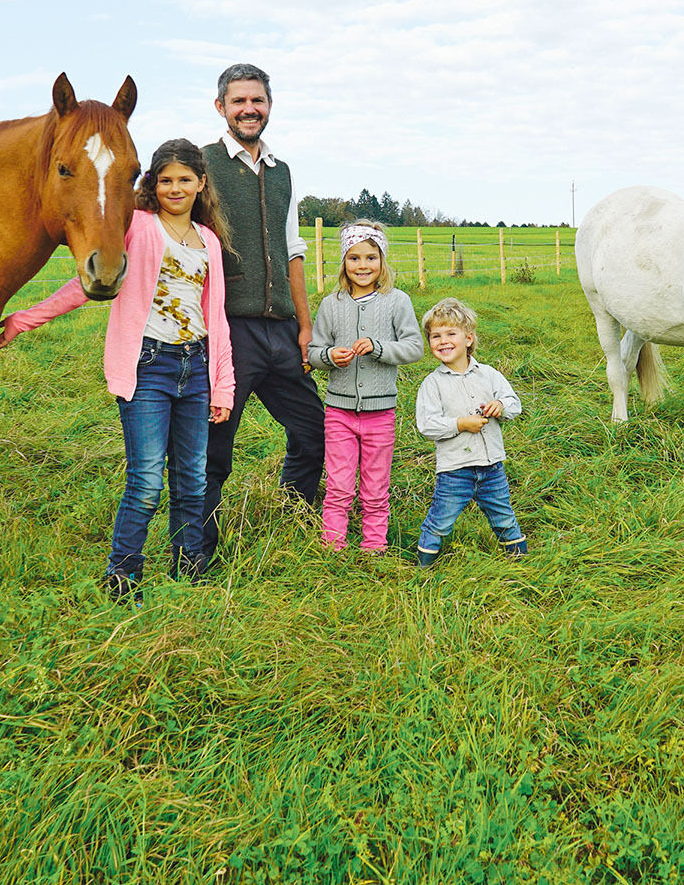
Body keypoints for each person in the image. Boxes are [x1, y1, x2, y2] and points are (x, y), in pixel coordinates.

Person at [0, 138, 235, 600]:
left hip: (196, 367)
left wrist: (222, 385)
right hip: (148, 367)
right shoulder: (139, 227)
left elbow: (216, 316)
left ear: (202, 184)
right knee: (145, 481)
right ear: (152, 185)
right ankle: (123, 577)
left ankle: (189, 571)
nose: (175, 188)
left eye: (185, 179)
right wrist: (24, 319)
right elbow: (84, 285)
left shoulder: (209, 243)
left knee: (193, 480)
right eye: (165, 180)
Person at [200, 63, 327, 571]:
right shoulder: (203, 162)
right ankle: (196, 552)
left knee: (314, 429)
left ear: (269, 105)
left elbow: (293, 250)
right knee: (214, 445)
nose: (249, 109)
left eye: (258, 100)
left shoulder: (282, 171)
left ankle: (297, 506)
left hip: (280, 329)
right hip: (229, 330)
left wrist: (304, 324)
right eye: (238, 101)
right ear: (221, 108)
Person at [306, 220, 425, 551]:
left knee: (375, 486)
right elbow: (314, 353)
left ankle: (374, 546)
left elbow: (415, 347)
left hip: (380, 412)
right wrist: (330, 356)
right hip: (339, 412)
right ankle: (333, 545)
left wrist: (379, 347)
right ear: (344, 262)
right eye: (354, 258)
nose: (363, 266)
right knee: (339, 483)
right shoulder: (332, 304)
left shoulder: (397, 301)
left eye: (370, 257)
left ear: (382, 260)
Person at [413, 297, 527, 566]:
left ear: (468, 338)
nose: (443, 341)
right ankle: (423, 566)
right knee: (441, 519)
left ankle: (521, 560)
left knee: (504, 516)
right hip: (455, 469)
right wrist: (460, 424)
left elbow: (514, 404)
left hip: (492, 467)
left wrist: (500, 406)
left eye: (451, 333)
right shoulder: (432, 384)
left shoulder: (489, 375)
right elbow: (427, 424)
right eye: (435, 336)